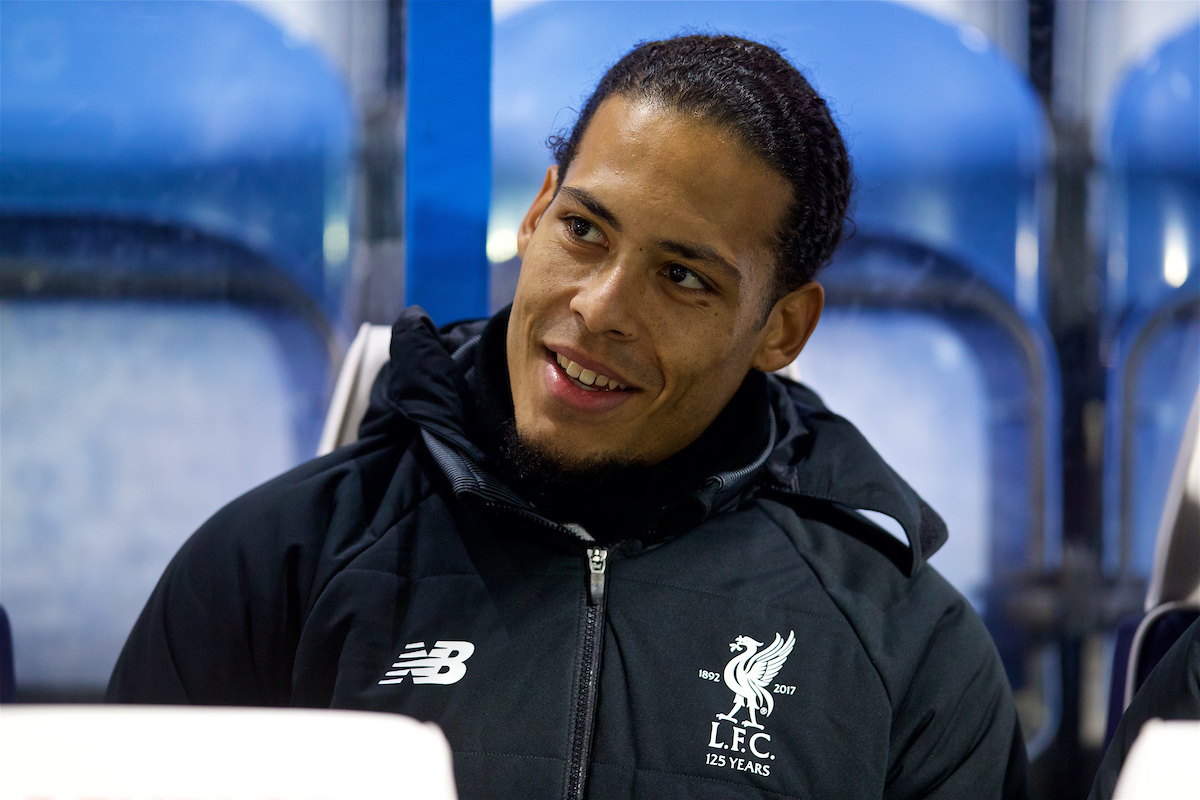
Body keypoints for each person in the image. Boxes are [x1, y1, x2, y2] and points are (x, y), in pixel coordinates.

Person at [109, 34, 1029, 799]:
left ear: (782, 329)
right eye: (585, 230)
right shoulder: (279, 564)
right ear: (538, 211)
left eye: (683, 277)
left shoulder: (907, 649)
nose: (599, 308)